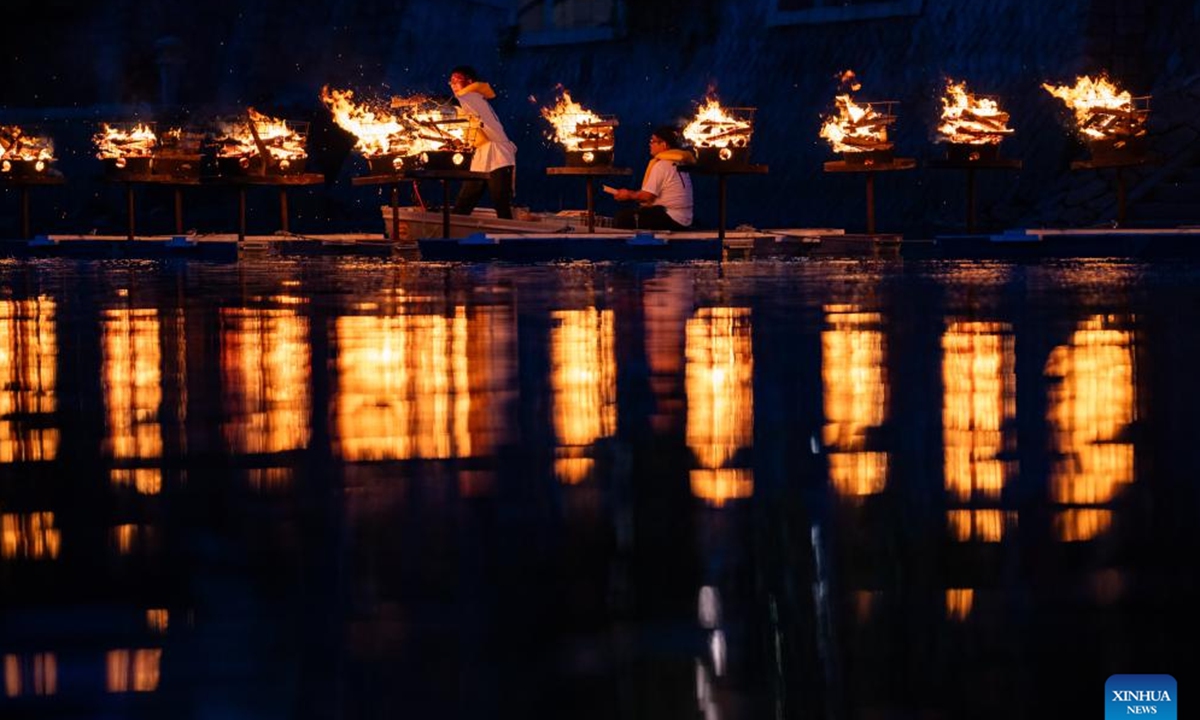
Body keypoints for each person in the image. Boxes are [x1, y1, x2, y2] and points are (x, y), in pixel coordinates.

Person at [448, 65, 518, 219]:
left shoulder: (471, 96)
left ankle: (507, 237)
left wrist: (427, 100)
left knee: (501, 204)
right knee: (464, 202)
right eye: (451, 81)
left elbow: (449, 103)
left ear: (470, 81)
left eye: (456, 80)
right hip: (480, 156)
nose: (452, 84)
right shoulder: (466, 103)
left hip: (498, 156)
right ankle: (453, 233)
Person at [611, 126, 695, 230]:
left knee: (622, 219)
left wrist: (628, 194)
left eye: (653, 141)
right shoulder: (680, 163)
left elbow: (647, 196)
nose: (650, 144)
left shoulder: (662, 165)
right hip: (685, 219)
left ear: (664, 144)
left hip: (671, 218)